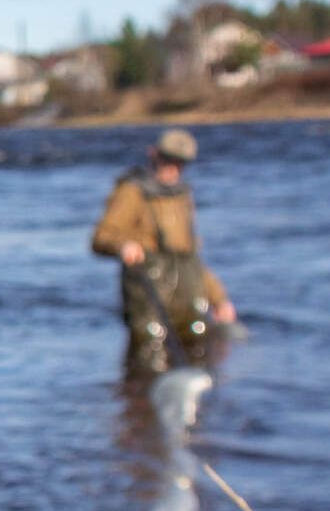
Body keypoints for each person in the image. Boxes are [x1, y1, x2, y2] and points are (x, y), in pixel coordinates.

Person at [91, 128, 237, 376]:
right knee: (149, 356)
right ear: (154, 155)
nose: (173, 168)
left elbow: (191, 256)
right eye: (168, 160)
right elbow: (101, 238)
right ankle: (138, 405)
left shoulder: (182, 195)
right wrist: (123, 246)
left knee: (200, 346)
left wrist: (219, 298)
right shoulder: (132, 191)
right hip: (149, 294)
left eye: (180, 163)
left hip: (187, 292)